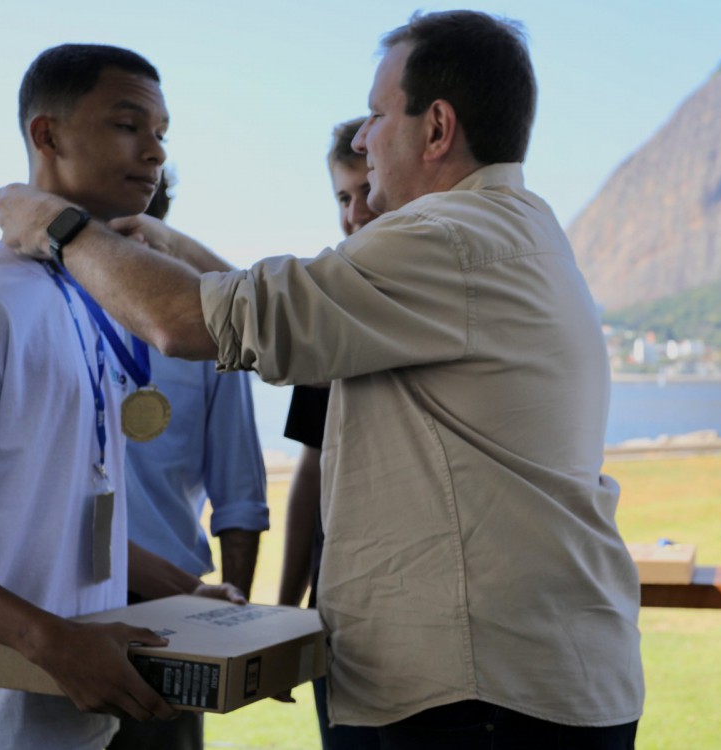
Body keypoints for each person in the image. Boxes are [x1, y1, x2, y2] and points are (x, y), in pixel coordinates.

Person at [0, 10, 643, 748]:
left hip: (476, 700)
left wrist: (57, 224)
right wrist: (168, 243)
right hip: (499, 684)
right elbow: (290, 299)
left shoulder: (444, 238)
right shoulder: (505, 227)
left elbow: (190, 321)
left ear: (436, 129)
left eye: (375, 115)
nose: (362, 141)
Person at [0, 44, 240, 750]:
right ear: (47, 135)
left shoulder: (82, 298)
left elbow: (60, 503)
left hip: (75, 709)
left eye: (162, 135)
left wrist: (172, 589)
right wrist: (53, 641)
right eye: (128, 125)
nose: (154, 153)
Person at [108, 173, 269, 750]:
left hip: (170, 616)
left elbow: (240, 495)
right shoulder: (51, 320)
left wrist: (228, 636)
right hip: (52, 604)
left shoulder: (207, 339)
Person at [276, 117, 382, 750]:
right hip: (333, 612)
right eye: (343, 197)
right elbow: (308, 474)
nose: (356, 212)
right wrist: (285, 614)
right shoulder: (328, 311)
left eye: (368, 190)